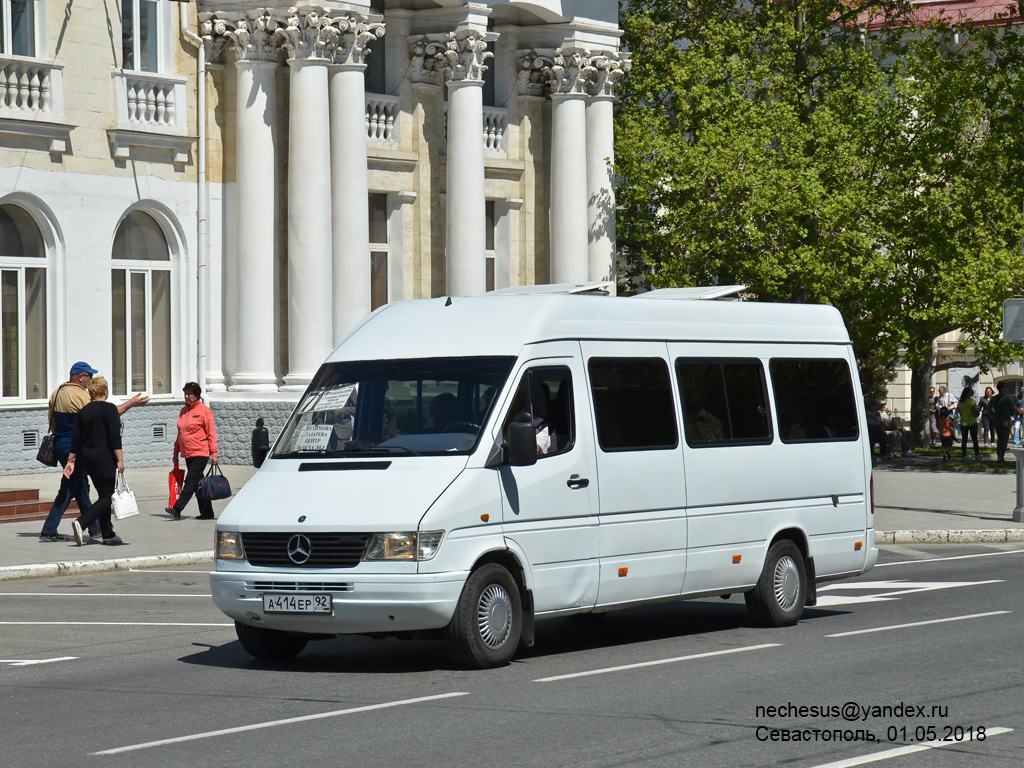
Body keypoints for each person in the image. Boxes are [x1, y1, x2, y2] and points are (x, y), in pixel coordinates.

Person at [38, 362, 148, 543]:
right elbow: (103, 414)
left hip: (61, 446)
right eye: (89, 376)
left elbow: (54, 425)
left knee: (80, 489)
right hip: (77, 449)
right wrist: (130, 404)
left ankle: (96, 528)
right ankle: (54, 529)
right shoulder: (81, 396)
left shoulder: (56, 393)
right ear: (81, 377)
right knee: (69, 489)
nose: (90, 380)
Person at [65, 377, 125, 546]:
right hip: (104, 458)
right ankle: (81, 523)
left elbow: (76, 438)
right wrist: (120, 460)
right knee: (107, 496)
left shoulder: (84, 411)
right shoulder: (110, 409)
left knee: (103, 494)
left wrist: (71, 460)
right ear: (105, 392)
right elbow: (114, 436)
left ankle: (108, 534)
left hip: (87, 459)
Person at [166, 382, 219, 520]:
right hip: (188, 452)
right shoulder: (184, 411)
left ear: (197, 396)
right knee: (197, 484)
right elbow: (180, 434)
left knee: (190, 481)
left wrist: (214, 453)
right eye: (185, 394)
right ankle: (207, 512)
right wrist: (176, 452)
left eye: (190, 394)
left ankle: (177, 508)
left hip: (200, 452)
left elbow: (211, 433)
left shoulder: (204, 411)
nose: (187, 396)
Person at [990, 381, 1020, 462]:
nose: (1007, 388)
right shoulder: (1007, 398)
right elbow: (1014, 408)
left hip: (997, 421)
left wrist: (993, 414)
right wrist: (1021, 413)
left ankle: (999, 455)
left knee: (1000, 439)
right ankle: (1001, 456)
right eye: (1006, 386)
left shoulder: (995, 398)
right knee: (1004, 439)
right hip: (1006, 421)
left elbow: (988, 407)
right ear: (1002, 388)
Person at [957, 386, 981, 461]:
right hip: (972, 422)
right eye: (971, 392)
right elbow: (976, 411)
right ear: (967, 393)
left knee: (964, 440)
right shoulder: (972, 401)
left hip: (963, 423)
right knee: (974, 439)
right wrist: (977, 413)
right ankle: (977, 455)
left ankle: (964, 455)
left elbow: (960, 412)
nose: (972, 393)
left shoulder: (960, 402)